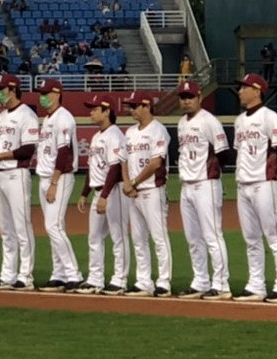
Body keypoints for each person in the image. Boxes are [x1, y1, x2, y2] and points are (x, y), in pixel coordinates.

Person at [232, 73, 277, 302]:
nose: (240, 91)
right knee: (251, 238)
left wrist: (274, 172)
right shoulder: (239, 121)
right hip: (244, 185)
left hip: (265, 183)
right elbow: (239, 151)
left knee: (274, 236)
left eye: (244, 87)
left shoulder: (271, 118)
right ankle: (256, 285)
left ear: (257, 90)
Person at [107, 93, 173, 296]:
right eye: (130, 106)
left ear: (146, 106)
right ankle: (144, 281)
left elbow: (156, 162)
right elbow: (124, 160)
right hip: (133, 192)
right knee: (138, 238)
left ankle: (164, 281)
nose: (131, 109)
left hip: (153, 189)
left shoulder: (158, 130)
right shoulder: (129, 132)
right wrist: (127, 182)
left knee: (158, 237)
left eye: (135, 106)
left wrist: (134, 182)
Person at [173, 81, 232, 300]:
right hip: (186, 185)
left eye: (190, 97)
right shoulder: (181, 122)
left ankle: (221, 284)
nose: (186, 101)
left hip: (206, 183)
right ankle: (200, 281)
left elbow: (223, 152)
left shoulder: (209, 121)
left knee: (212, 235)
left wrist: (213, 174)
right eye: (183, 97)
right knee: (193, 237)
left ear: (199, 97)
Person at [0, 73, 39, 290]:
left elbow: (27, 149)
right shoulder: (2, 117)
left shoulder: (27, 115)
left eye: (1, 89)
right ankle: (7, 275)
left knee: (21, 227)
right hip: (1, 174)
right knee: (6, 229)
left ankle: (26, 276)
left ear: (12, 90)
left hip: (17, 173)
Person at [79, 95, 131, 293]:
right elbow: (93, 168)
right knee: (94, 237)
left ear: (107, 111)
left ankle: (120, 279)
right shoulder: (96, 136)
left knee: (118, 237)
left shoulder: (114, 135)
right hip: (98, 190)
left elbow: (115, 168)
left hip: (113, 191)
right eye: (91, 109)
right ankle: (95, 278)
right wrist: (85, 193)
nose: (91, 112)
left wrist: (104, 196)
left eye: (95, 109)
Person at [33, 79, 82, 292]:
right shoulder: (48, 118)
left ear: (57, 94)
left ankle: (73, 273)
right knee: (52, 226)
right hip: (45, 177)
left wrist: (54, 182)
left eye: (46, 93)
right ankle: (59, 273)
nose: (42, 96)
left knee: (53, 226)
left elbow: (64, 154)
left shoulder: (64, 118)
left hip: (59, 177)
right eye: (40, 93)